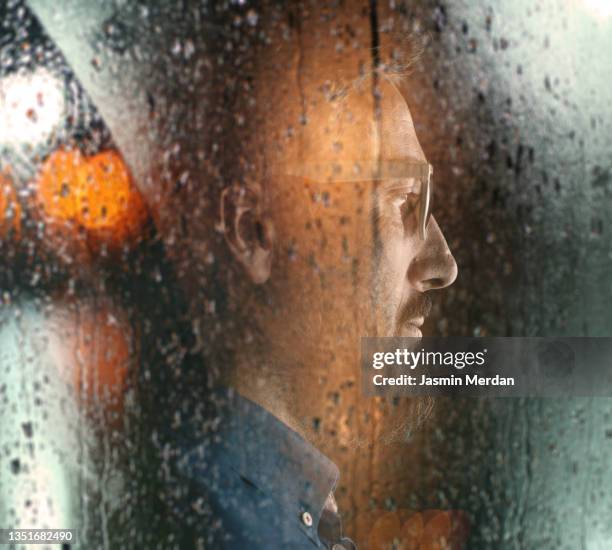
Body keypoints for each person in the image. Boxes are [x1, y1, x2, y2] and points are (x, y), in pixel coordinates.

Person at [21, 1, 458, 547]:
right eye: (403, 201)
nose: (444, 265)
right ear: (254, 233)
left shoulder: (255, 506)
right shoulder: (231, 529)